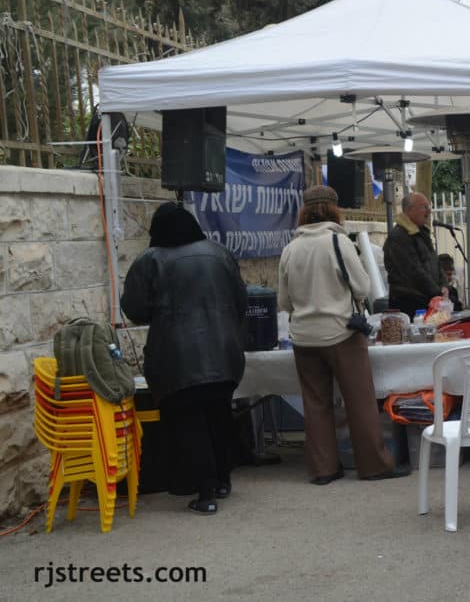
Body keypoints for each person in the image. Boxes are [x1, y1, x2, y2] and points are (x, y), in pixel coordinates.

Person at [120, 203, 247, 515]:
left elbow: (134, 309)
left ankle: (205, 495)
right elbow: (241, 300)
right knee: (219, 416)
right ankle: (222, 480)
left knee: (190, 423)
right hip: (225, 353)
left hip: (176, 359)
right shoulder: (219, 253)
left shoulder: (150, 260)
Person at [278, 185, 405, 483]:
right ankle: (374, 465)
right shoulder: (338, 242)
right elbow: (362, 288)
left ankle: (323, 469)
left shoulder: (290, 248)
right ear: (335, 209)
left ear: (304, 212)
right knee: (358, 400)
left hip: (303, 338)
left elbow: (283, 303)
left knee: (316, 403)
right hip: (341, 333)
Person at [383, 192, 442, 319]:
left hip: (429, 300)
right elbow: (414, 272)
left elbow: (435, 262)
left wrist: (445, 286)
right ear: (410, 210)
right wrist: (438, 292)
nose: (429, 211)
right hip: (410, 306)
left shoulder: (421, 233)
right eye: (425, 207)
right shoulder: (398, 237)